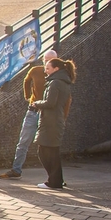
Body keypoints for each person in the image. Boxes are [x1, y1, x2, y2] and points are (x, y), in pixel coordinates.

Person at [0, 49, 66, 179]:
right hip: (33, 111)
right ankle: (16, 169)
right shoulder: (36, 71)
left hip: (49, 115)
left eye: (50, 61)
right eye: (45, 60)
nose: (47, 64)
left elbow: (66, 99)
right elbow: (26, 80)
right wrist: (28, 96)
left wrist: (63, 117)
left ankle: (54, 177)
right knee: (23, 141)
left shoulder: (58, 79)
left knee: (48, 147)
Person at [31, 57, 76, 189]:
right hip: (54, 120)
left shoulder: (55, 82)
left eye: (48, 68)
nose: (45, 70)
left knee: (46, 152)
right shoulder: (61, 81)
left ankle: (54, 181)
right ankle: (56, 180)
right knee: (51, 151)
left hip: (51, 121)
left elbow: (51, 103)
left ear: (56, 69)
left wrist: (36, 103)